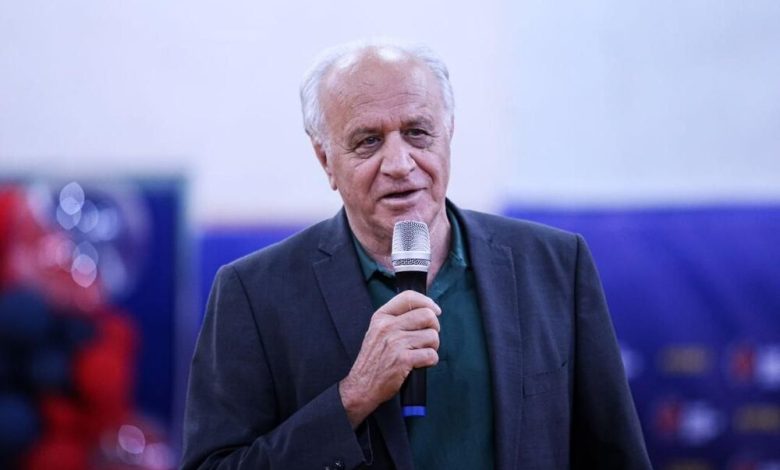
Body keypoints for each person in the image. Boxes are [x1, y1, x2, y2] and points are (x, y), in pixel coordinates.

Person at [181, 40, 652, 470]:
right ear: (325, 159)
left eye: (417, 132)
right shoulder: (254, 293)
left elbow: (615, 456)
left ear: (449, 133)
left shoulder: (555, 265)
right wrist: (353, 397)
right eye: (368, 141)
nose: (399, 164)